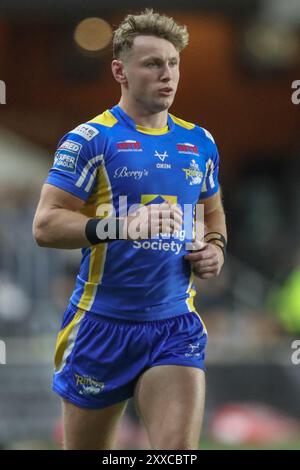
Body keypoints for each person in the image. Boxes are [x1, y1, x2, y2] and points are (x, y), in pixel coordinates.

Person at [32, 9, 227, 450]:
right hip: (101, 326)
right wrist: (121, 226)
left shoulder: (200, 142)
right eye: (153, 63)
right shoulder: (90, 139)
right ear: (120, 70)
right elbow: (45, 225)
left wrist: (216, 246)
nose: (168, 74)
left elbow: (212, 213)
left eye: (174, 63)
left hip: (174, 324)